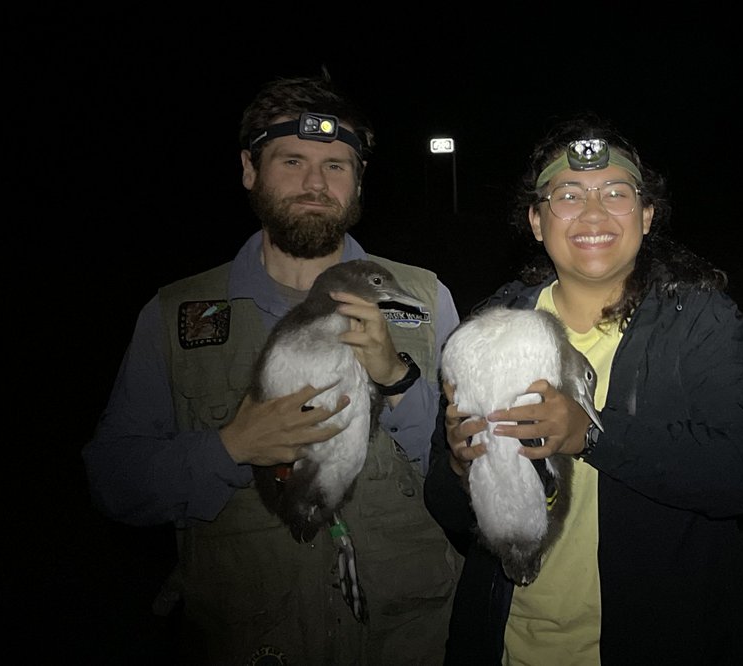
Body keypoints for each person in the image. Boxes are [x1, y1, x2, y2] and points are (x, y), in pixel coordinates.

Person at [82, 73, 463, 665]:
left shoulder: (425, 298)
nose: (315, 182)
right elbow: (113, 480)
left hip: (405, 641)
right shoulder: (176, 315)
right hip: (248, 640)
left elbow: (465, 468)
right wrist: (228, 448)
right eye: (292, 160)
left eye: (337, 165)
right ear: (248, 169)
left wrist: (397, 382)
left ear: (359, 180)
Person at [423, 113, 743, 664]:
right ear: (537, 221)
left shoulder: (700, 320)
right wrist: (461, 466)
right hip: (510, 641)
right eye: (568, 195)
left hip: (658, 641)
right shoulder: (490, 323)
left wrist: (590, 433)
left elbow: (740, 477)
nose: (592, 213)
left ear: (647, 215)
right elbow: (443, 503)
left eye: (616, 193)